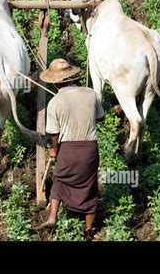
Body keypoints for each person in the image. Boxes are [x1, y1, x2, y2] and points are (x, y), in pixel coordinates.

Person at [38, 58, 105, 240]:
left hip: (68, 149)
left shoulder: (55, 102)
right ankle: (89, 230)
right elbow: (101, 118)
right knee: (89, 185)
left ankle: (52, 217)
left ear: (56, 81)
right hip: (89, 149)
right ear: (72, 76)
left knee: (59, 180)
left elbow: (54, 132)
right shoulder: (91, 93)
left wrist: (54, 150)